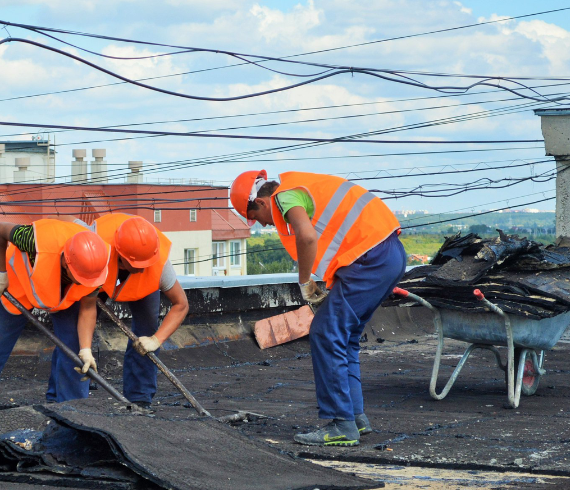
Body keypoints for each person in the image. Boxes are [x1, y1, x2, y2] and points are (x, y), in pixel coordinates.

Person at [229, 169, 406, 446]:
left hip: (369, 260)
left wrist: (304, 283)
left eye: (254, 218)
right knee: (344, 337)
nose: (262, 226)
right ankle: (355, 419)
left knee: (325, 332)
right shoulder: (302, 185)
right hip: (388, 255)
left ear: (261, 202)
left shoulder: (284, 196)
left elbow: (307, 237)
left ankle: (341, 425)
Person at [0, 218, 110, 424]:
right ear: (65, 261)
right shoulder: (32, 241)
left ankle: (71, 414)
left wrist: (86, 349)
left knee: (74, 351)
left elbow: (88, 308)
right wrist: (0, 273)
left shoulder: (95, 266)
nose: (84, 282)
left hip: (64, 296)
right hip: (20, 282)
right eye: (78, 277)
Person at [92, 213, 189, 406]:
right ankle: (71, 393)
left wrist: (156, 340)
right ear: (122, 256)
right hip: (97, 267)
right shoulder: (95, 246)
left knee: (147, 329)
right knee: (77, 324)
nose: (142, 269)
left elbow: (181, 304)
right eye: (137, 265)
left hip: (139, 280)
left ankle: (139, 398)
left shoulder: (158, 263)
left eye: (146, 264)